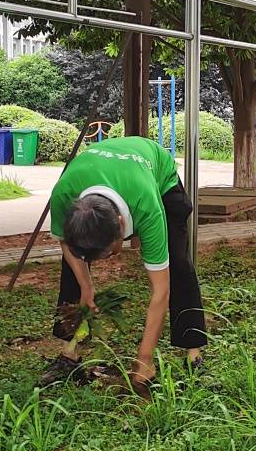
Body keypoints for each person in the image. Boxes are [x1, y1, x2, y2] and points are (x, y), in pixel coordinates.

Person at [40, 136, 206, 393]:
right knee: (73, 264)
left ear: (121, 223)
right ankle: (69, 354)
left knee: (178, 266)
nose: (108, 259)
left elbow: (160, 291)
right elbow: (65, 241)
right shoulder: (64, 193)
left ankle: (193, 354)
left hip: (158, 177)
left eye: (107, 253)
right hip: (96, 169)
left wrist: (144, 360)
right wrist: (86, 286)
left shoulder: (147, 208)